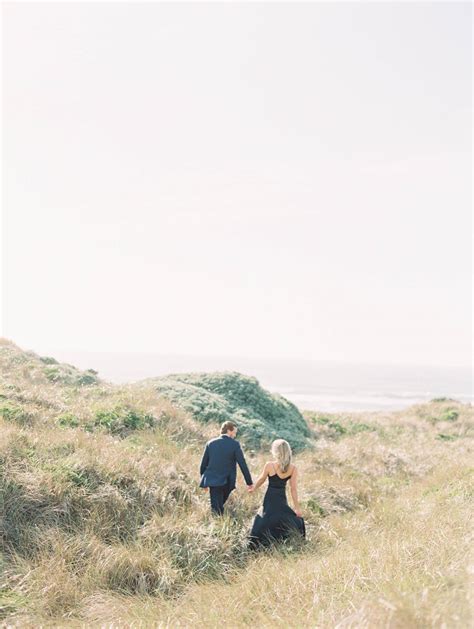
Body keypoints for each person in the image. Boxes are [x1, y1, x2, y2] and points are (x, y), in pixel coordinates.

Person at [248, 438, 305, 549]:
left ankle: (258, 542)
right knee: (280, 516)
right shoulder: (293, 468)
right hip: (281, 497)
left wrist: (253, 488)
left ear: (276, 451)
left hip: (270, 497)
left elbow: (261, 479)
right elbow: (293, 489)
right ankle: (279, 540)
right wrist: (297, 508)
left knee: (265, 517)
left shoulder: (269, 465)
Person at [199, 420, 254, 515]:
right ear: (229, 430)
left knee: (217, 507)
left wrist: (204, 482)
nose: (235, 435)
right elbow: (242, 464)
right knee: (217, 508)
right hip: (227, 482)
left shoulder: (210, 443)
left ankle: (218, 524)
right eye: (234, 432)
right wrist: (249, 482)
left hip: (213, 481)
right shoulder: (235, 445)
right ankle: (218, 525)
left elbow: (203, 464)